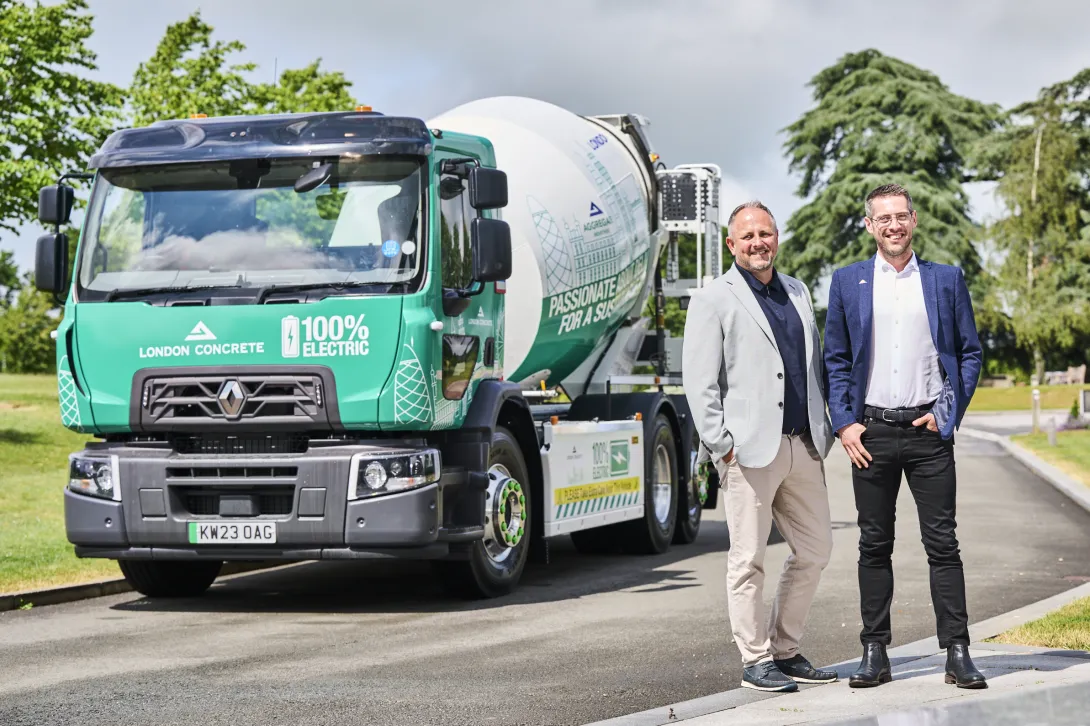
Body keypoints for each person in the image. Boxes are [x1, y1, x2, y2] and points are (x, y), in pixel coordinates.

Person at [823, 183, 986, 690]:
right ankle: (874, 652)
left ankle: (957, 652)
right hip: (869, 434)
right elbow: (836, 360)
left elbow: (970, 352)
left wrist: (948, 412)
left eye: (902, 216)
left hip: (928, 433)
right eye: (883, 218)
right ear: (869, 226)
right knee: (874, 545)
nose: (894, 225)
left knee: (943, 544)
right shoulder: (848, 282)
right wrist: (845, 422)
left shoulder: (945, 280)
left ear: (914, 220)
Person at [683, 201, 835, 693]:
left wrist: (826, 428)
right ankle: (755, 660)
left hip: (802, 445)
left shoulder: (797, 290)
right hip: (747, 452)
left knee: (815, 550)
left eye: (764, 233)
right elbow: (700, 383)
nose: (757, 243)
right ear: (731, 245)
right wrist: (720, 445)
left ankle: (786, 650)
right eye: (746, 236)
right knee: (748, 559)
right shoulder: (713, 298)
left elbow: (812, 367)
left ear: (777, 238)